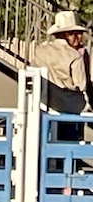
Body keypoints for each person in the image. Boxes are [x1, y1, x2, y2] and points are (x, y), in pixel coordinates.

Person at [32, 11, 90, 140]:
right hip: (71, 108)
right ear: (67, 34)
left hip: (45, 104)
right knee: (70, 145)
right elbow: (82, 85)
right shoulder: (74, 56)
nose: (80, 37)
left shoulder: (39, 52)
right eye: (77, 33)